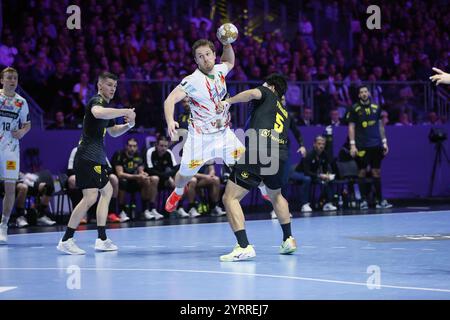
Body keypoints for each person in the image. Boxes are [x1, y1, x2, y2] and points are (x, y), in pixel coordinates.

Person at [218, 74, 297, 262]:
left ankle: (244, 246)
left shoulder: (267, 93)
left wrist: (228, 101)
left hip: (259, 149)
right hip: (280, 156)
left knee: (230, 198)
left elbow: (252, 94)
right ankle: (288, 239)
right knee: (275, 195)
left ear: (271, 87)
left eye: (264, 84)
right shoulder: (284, 112)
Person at [57, 71, 136, 255]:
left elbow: (114, 132)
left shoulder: (107, 109)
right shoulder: (96, 102)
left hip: (96, 158)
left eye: (115, 86)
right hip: (87, 157)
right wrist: (124, 111)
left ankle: (101, 239)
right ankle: (66, 240)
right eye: (109, 85)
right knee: (91, 197)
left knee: (106, 191)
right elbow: (97, 113)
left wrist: (129, 126)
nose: (112, 89)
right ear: (100, 86)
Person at [163, 38, 244, 214]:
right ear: (196, 61)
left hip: (224, 135)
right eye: (200, 56)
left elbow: (229, 61)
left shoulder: (220, 70)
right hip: (199, 140)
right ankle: (177, 192)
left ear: (214, 55)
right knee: (184, 176)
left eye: (208, 54)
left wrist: (227, 44)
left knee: (248, 165)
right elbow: (170, 99)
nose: (205, 59)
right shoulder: (191, 81)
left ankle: (265, 191)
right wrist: (170, 120)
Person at [0, 67, 31, 244]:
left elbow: (27, 124)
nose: (12, 81)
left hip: (11, 150)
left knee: (10, 188)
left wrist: (22, 132)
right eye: (9, 77)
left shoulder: (21, 102)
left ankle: (4, 225)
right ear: (2, 80)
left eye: (15, 78)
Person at [348, 85, 392, 209]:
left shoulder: (376, 107)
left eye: (365, 91)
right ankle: (363, 201)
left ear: (369, 93)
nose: (364, 94)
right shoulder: (354, 108)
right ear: (358, 95)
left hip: (376, 145)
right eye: (361, 92)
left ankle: (380, 200)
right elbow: (351, 127)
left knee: (376, 172)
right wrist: (352, 145)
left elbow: (380, 126)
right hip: (361, 145)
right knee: (361, 172)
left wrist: (384, 142)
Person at [145, 135, 199, 218]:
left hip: (166, 179)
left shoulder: (168, 153)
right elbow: (150, 170)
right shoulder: (150, 152)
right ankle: (152, 209)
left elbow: (175, 168)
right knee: (155, 178)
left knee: (182, 181)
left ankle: (180, 207)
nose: (163, 148)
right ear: (156, 145)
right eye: (161, 146)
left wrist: (170, 178)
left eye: (166, 146)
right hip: (153, 180)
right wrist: (167, 177)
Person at [67, 146, 121, 223]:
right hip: (83, 178)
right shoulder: (76, 150)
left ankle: (111, 213)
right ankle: (80, 215)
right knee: (72, 179)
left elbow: (109, 169)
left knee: (113, 179)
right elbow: (70, 170)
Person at [113, 138, 163, 221]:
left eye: (134, 146)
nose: (132, 148)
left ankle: (145, 210)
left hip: (135, 181)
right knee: (123, 182)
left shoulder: (138, 155)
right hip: (123, 182)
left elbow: (140, 170)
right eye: (130, 146)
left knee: (146, 180)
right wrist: (137, 176)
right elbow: (120, 174)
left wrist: (143, 174)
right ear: (126, 146)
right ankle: (122, 211)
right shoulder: (119, 154)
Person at [296, 135, 337, 212]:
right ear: (314, 144)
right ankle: (304, 204)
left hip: (312, 174)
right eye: (319, 143)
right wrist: (320, 175)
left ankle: (328, 203)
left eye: (323, 144)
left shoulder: (324, 154)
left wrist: (327, 175)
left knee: (329, 180)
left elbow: (325, 169)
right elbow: (306, 172)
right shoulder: (309, 154)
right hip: (299, 173)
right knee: (307, 179)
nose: (321, 146)